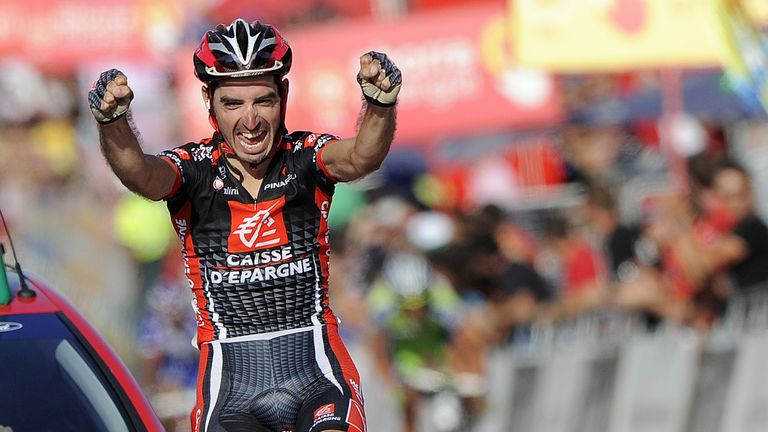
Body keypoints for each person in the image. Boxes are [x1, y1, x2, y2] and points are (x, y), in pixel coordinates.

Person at [88, 18, 401, 432]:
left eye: (263, 101)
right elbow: (142, 175)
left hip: (316, 369)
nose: (250, 121)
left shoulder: (306, 156)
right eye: (233, 104)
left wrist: (379, 105)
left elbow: (361, 156)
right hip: (231, 383)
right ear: (209, 100)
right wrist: (113, 123)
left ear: (283, 94)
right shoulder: (193, 170)